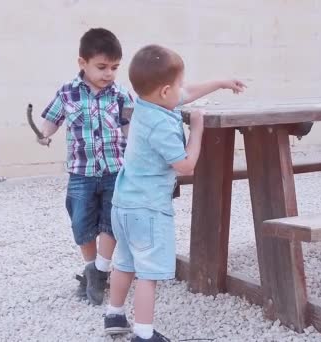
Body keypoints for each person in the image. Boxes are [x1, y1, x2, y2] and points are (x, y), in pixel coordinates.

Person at [103, 44, 245, 341]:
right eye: (178, 84)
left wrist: (220, 83)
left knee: (125, 262)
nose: (182, 89)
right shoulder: (162, 126)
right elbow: (186, 165)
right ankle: (143, 333)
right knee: (149, 274)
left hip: (123, 205)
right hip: (149, 210)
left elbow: (186, 93)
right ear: (165, 91)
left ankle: (114, 315)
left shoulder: (144, 105)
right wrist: (197, 130)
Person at [37, 28, 134, 305]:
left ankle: (101, 272)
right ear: (83, 63)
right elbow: (52, 121)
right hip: (81, 173)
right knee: (81, 224)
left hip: (115, 170)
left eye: (114, 68)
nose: (109, 74)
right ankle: (92, 269)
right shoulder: (67, 93)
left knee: (111, 221)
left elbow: (130, 129)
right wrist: (44, 134)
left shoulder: (120, 95)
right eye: (102, 67)